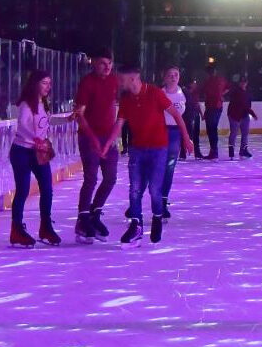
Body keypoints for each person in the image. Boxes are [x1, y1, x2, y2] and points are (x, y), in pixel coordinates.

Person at [100, 66, 194, 247]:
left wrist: (186, 139)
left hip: (159, 149)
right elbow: (119, 124)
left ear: (133, 79)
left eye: (122, 80)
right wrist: (107, 144)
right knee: (135, 189)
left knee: (154, 191)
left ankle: (157, 217)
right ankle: (136, 225)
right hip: (137, 150)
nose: (119, 83)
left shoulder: (154, 93)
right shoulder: (126, 99)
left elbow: (176, 115)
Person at [8, 70, 64, 247]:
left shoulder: (44, 103)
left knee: (47, 188)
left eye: (49, 83)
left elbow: (47, 121)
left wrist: (68, 119)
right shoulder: (26, 104)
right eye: (44, 83)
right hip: (22, 151)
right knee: (23, 190)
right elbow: (22, 125)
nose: (48, 86)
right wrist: (35, 139)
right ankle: (16, 229)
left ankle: (45, 226)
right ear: (35, 84)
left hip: (38, 152)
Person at [73, 50, 120, 244]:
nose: (107, 67)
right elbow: (80, 114)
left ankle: (95, 213)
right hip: (88, 137)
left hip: (108, 137)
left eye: (109, 63)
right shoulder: (87, 83)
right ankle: (83, 219)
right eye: (102, 63)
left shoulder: (114, 81)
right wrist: (93, 139)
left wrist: (112, 138)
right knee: (91, 178)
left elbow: (116, 107)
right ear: (93, 63)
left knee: (110, 178)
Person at [161, 66, 186, 220]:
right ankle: (135, 202)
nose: (173, 77)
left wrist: (186, 137)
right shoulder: (159, 94)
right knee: (155, 169)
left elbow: (186, 117)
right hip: (160, 133)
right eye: (170, 75)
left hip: (175, 134)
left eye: (176, 74)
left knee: (169, 169)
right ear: (164, 77)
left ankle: (163, 202)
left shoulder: (183, 95)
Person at [201, 63, 228, 160]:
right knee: (211, 129)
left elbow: (228, 87)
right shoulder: (214, 80)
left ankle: (214, 152)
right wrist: (221, 95)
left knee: (211, 129)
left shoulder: (211, 81)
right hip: (213, 107)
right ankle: (213, 151)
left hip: (214, 107)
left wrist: (221, 95)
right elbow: (228, 87)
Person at [226, 77, 257, 160]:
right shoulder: (236, 92)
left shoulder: (248, 93)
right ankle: (231, 151)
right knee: (234, 133)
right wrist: (252, 114)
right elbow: (242, 105)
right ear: (239, 83)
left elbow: (247, 105)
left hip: (244, 115)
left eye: (245, 82)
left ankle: (243, 150)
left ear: (247, 83)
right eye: (242, 82)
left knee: (245, 133)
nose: (243, 83)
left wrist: (250, 113)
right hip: (234, 115)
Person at [181, 79, 204, 160]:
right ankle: (182, 153)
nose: (195, 84)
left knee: (196, 135)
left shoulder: (195, 93)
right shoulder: (184, 92)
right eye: (194, 83)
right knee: (187, 134)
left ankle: (197, 153)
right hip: (187, 115)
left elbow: (197, 104)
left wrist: (201, 114)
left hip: (195, 114)